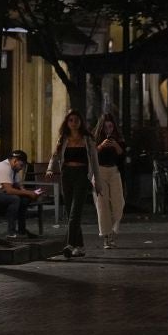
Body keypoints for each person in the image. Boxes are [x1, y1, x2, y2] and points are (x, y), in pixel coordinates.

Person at [46, 109, 101, 258]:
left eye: (76, 120)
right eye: (70, 120)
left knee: (75, 213)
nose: (74, 123)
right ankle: (80, 246)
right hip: (67, 175)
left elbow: (95, 162)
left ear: (81, 122)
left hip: (82, 176)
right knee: (71, 212)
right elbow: (55, 155)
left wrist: (97, 181)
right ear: (67, 122)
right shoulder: (63, 138)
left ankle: (69, 244)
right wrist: (50, 169)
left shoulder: (88, 139)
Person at [93, 113, 126, 249]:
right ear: (101, 127)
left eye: (110, 126)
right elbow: (91, 154)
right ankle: (107, 237)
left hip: (113, 171)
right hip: (99, 171)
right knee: (102, 205)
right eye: (106, 127)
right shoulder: (95, 138)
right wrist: (101, 146)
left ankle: (112, 230)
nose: (108, 129)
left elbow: (122, 156)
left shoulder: (118, 138)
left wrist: (116, 146)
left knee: (119, 203)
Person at [0, 150, 40, 239]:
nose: (21, 168)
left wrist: (31, 194)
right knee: (15, 199)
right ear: (15, 161)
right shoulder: (4, 167)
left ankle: (21, 230)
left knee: (25, 199)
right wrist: (29, 192)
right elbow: (9, 190)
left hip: (3, 193)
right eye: (21, 165)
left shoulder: (14, 169)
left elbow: (19, 185)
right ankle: (11, 232)